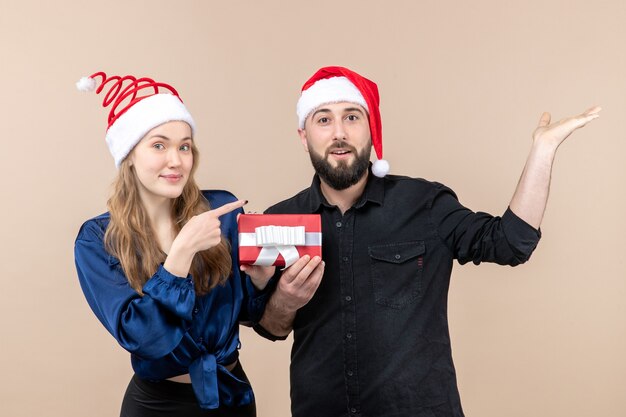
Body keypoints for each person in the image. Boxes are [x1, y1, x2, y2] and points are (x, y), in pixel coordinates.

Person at [245, 66, 600, 417]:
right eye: (323, 120)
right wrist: (284, 301)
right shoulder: (279, 221)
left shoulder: (424, 204)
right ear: (304, 136)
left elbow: (511, 242)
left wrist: (543, 150)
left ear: (371, 130)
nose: (339, 133)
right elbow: (273, 327)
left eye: (351, 117)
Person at [74, 72, 269, 417]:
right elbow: (144, 338)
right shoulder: (98, 240)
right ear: (130, 154)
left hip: (231, 397)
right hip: (156, 405)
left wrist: (259, 280)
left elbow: (251, 315)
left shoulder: (220, 212)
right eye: (159, 145)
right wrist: (180, 255)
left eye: (184, 146)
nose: (176, 160)